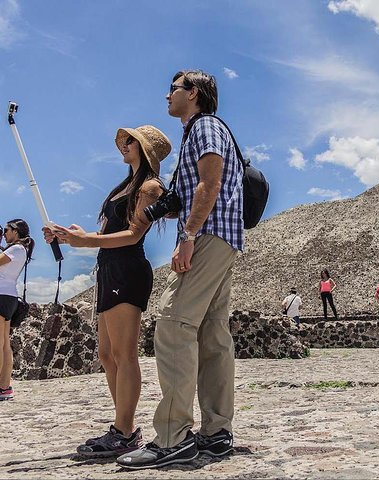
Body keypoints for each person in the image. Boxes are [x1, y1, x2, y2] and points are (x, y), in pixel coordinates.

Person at [118, 70, 243, 469]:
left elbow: (210, 183)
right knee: (212, 335)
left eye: (172, 89)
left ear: (193, 93)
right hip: (224, 237)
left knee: (172, 325)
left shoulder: (204, 126)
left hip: (205, 235)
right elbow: (197, 188)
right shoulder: (206, 130)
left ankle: (173, 438)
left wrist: (187, 233)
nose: (166, 96)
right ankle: (216, 432)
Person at [45, 126, 170, 456]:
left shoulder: (150, 186)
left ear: (143, 148)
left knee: (124, 353)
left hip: (127, 269)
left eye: (129, 141)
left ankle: (124, 431)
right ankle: (123, 427)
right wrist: (70, 235)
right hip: (110, 270)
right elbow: (105, 233)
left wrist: (86, 241)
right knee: (107, 354)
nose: (123, 145)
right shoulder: (124, 186)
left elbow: (132, 235)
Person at [0, 219, 34, 401]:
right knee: (5, 344)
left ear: (16, 231)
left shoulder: (16, 249)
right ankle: (4, 387)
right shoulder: (21, 250)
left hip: (1, 295)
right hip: (9, 296)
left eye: (6, 230)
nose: (4, 234)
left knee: (1, 343)